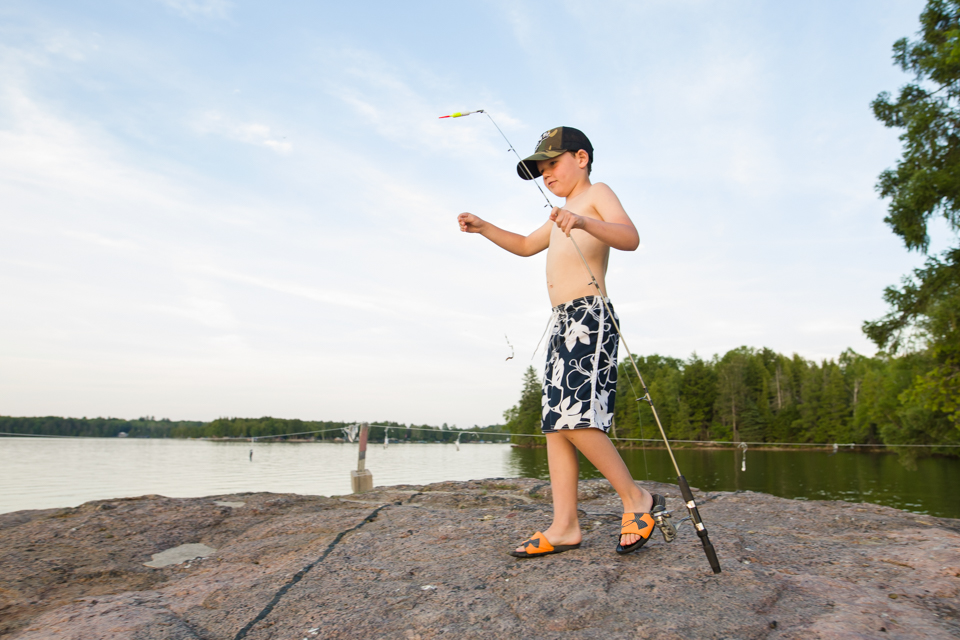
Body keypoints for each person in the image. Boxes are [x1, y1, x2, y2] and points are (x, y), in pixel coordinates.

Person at [457, 126, 664, 557]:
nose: (546, 175)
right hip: (561, 321)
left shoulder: (595, 195)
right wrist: (484, 227)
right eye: (541, 169)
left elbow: (631, 237)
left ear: (581, 158)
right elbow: (525, 245)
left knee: (577, 418)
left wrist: (584, 219)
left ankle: (635, 499)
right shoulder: (558, 214)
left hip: (590, 317)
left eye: (552, 163)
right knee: (556, 424)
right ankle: (565, 524)